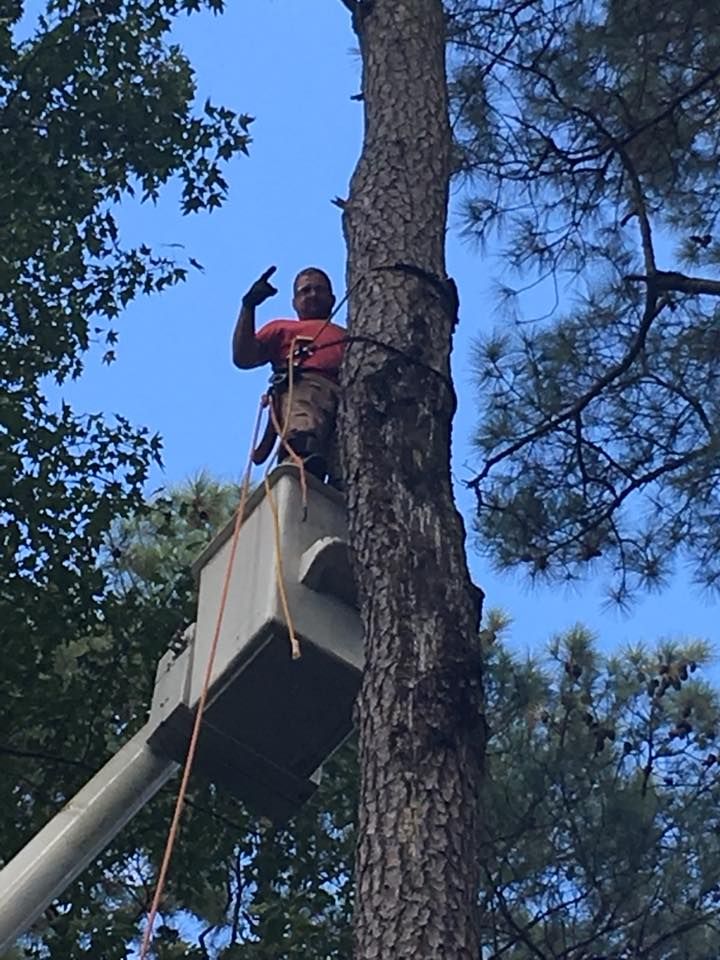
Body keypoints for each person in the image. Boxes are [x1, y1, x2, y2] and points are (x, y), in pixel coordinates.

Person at [232, 266, 346, 485]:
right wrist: (249, 306)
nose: (313, 294)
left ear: (332, 299)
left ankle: (340, 485)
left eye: (319, 290)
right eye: (306, 290)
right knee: (304, 416)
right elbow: (243, 356)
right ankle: (301, 459)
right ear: (294, 302)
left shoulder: (347, 335)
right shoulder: (282, 328)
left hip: (347, 394)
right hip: (304, 385)